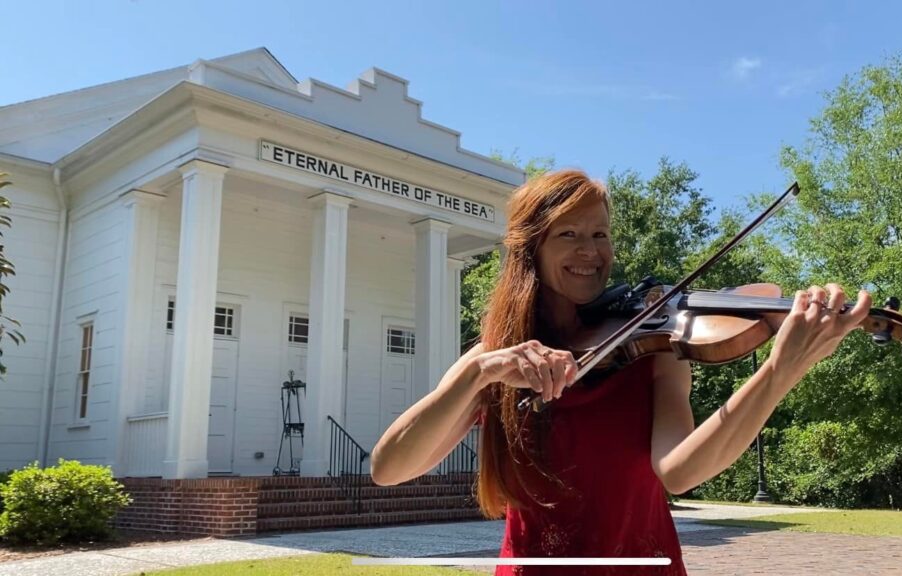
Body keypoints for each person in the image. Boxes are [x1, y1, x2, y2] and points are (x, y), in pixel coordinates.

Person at [370, 169, 871, 575]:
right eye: (569, 235)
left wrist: (782, 370)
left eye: (600, 234)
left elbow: (681, 469)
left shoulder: (654, 349)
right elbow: (389, 467)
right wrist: (475, 375)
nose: (591, 253)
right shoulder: (498, 359)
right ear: (531, 250)